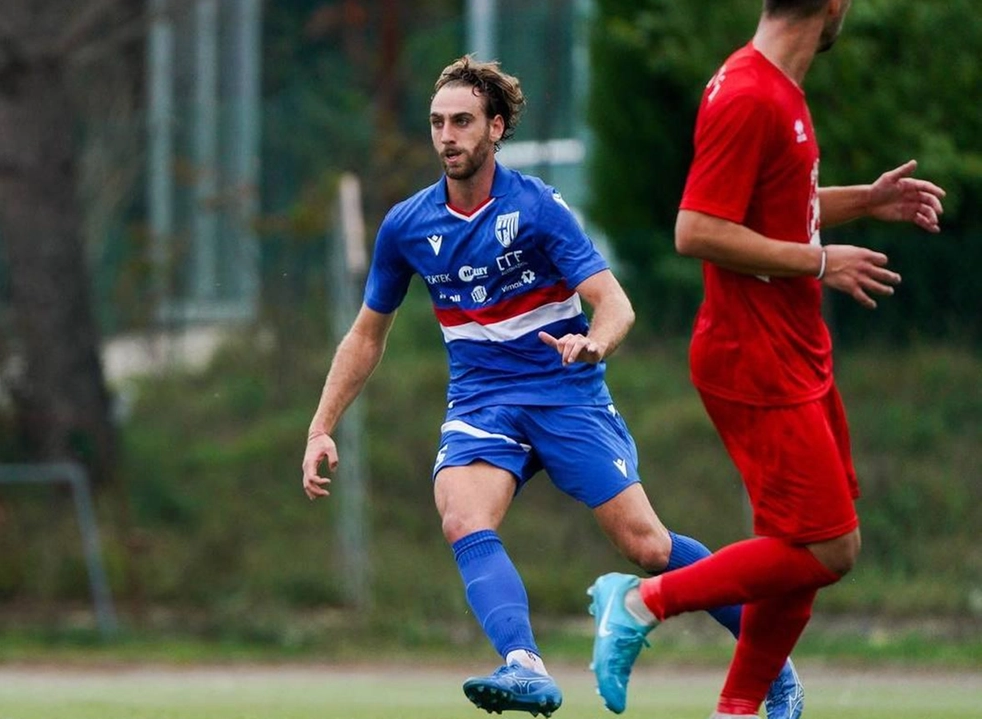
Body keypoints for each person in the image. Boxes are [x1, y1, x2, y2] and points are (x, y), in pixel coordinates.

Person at [301, 55, 804, 718]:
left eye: (462, 121)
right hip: (483, 399)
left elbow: (614, 301)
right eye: (436, 123)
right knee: (461, 514)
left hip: (565, 391)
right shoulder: (407, 226)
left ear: (497, 128)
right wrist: (321, 424)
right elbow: (367, 334)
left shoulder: (537, 208)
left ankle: (772, 664)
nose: (447, 135)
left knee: (647, 545)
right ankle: (524, 663)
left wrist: (596, 340)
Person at [586, 2, 947, 718]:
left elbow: (774, 206)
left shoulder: (777, 87)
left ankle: (742, 705)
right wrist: (819, 260)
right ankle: (642, 599)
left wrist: (862, 202)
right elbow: (696, 228)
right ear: (833, 5)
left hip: (794, 351)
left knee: (803, 544)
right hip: (753, 358)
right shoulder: (750, 93)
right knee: (829, 547)